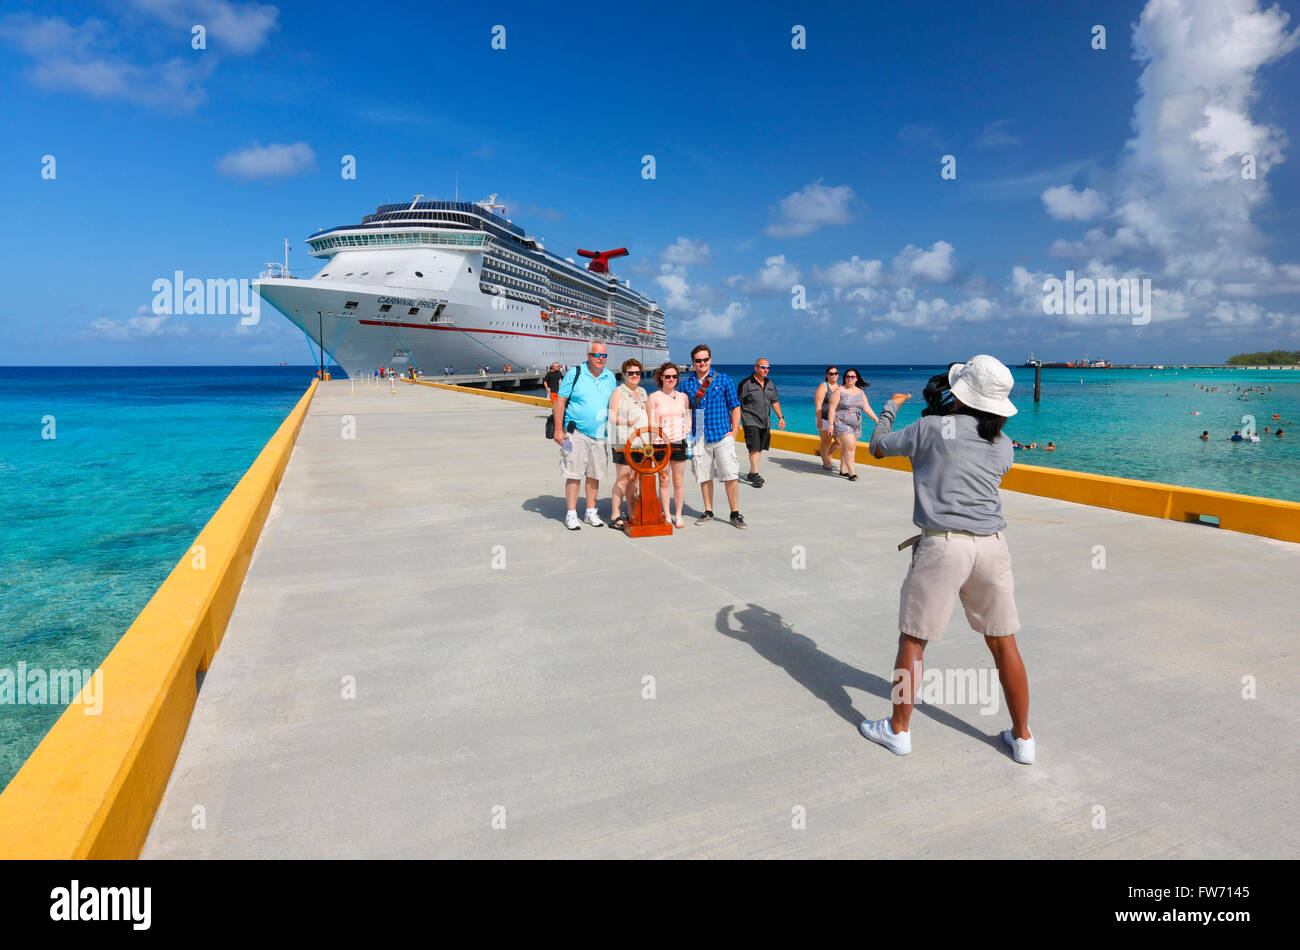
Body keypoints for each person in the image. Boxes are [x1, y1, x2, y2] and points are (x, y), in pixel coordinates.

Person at [860, 355, 1033, 763]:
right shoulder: (1004, 444)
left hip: (944, 545)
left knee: (914, 639)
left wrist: (890, 408)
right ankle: (1023, 738)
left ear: (960, 392)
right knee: (1003, 641)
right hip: (992, 545)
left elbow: (878, 447)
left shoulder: (931, 428)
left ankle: (898, 730)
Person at [678, 344, 746, 528]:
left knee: (730, 474)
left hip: (722, 432)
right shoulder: (687, 385)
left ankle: (735, 513)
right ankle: (708, 510)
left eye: (705, 359)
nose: (702, 363)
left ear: (710, 360)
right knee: (704, 474)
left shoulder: (722, 379)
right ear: (693, 362)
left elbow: (735, 405)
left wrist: (734, 430)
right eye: (698, 360)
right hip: (699, 434)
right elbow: (684, 411)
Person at [552, 344, 617, 530]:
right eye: (597, 354)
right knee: (573, 473)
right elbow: (561, 401)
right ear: (588, 355)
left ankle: (590, 512)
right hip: (574, 433)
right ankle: (571, 514)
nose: (601, 358)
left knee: (594, 474)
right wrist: (558, 430)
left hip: (600, 435)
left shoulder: (610, 377)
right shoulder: (575, 372)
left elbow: (615, 405)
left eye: (604, 355)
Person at [647, 362, 691, 528]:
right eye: (668, 376)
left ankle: (678, 515)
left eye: (674, 376)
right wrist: (652, 446)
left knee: (679, 482)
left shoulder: (683, 397)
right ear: (661, 377)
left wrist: (686, 431)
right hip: (660, 444)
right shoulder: (654, 397)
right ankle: (666, 515)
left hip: (679, 442)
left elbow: (688, 416)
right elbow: (651, 424)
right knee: (664, 482)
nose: (671, 379)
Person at [607, 359, 649, 530]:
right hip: (623, 442)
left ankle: (632, 513)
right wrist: (626, 422)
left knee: (635, 480)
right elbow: (611, 416)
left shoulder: (643, 392)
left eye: (637, 373)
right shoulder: (618, 392)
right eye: (630, 373)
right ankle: (615, 515)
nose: (634, 376)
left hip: (641, 443)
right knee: (623, 478)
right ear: (624, 374)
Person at [736, 358, 785, 487]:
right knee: (754, 448)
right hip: (750, 420)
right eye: (763, 367)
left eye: (768, 368)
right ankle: (755, 474)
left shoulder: (770, 384)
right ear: (756, 368)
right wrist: (734, 421)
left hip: (765, 422)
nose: (766, 370)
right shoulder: (746, 384)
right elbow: (737, 404)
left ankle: (752, 472)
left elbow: (774, 401)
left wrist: (780, 417)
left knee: (759, 449)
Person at [825, 368, 878, 481]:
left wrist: (876, 420)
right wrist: (830, 424)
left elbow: (866, 407)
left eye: (852, 377)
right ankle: (851, 473)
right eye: (848, 376)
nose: (850, 378)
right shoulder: (839, 391)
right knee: (850, 447)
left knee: (846, 447)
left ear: (856, 378)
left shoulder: (860, 392)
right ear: (844, 378)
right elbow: (832, 408)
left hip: (856, 424)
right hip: (841, 422)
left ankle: (843, 470)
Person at [814, 367, 841, 472]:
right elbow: (818, 405)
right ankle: (826, 463)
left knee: (840, 442)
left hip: (836, 420)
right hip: (824, 418)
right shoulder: (823, 386)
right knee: (826, 441)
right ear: (827, 375)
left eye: (835, 373)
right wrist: (819, 419)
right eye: (831, 373)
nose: (833, 375)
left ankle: (828, 457)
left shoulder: (839, 387)